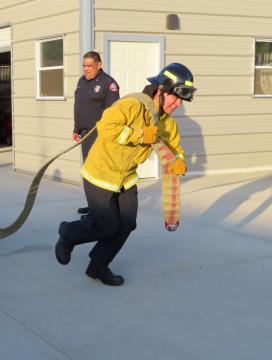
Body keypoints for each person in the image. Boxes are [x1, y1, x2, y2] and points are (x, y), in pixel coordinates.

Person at [55, 63, 196, 286]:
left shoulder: (166, 122)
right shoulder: (132, 105)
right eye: (174, 97)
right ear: (161, 89)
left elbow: (174, 147)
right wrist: (140, 134)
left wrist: (179, 161)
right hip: (100, 173)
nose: (177, 104)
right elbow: (106, 127)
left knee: (127, 223)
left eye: (181, 100)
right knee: (108, 225)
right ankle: (68, 234)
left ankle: (97, 266)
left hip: (125, 177)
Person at [73, 51, 120, 216]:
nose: (85, 69)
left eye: (89, 66)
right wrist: (76, 128)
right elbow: (80, 106)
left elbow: (114, 115)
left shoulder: (109, 84)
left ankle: (102, 209)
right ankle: (93, 205)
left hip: (99, 136)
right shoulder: (82, 81)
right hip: (85, 134)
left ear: (99, 65)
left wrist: (107, 138)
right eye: (84, 66)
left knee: (99, 174)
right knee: (88, 173)